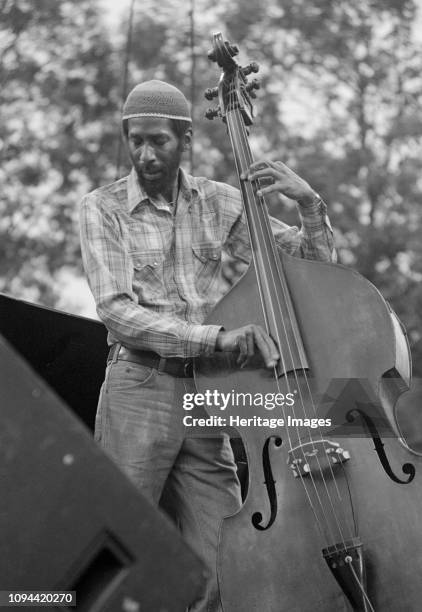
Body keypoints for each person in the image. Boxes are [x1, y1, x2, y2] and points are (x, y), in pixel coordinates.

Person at [79, 80, 335, 611]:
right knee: (113, 549)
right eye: (136, 141)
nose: (146, 154)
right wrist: (216, 338)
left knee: (229, 560)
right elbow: (117, 312)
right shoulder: (100, 208)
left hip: (204, 397)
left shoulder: (223, 202)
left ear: (187, 138)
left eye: (160, 142)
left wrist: (310, 206)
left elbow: (308, 271)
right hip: (137, 387)